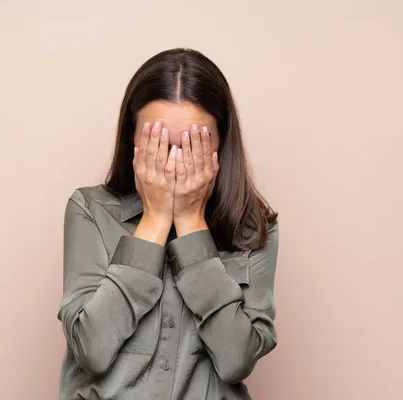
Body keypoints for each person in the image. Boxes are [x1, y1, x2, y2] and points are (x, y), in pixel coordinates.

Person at [57, 48, 279, 400]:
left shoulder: (251, 229)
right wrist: (156, 218)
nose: (176, 160)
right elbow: (92, 350)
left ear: (221, 140)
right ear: (132, 138)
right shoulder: (90, 211)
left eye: (194, 143)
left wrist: (191, 221)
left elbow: (237, 359)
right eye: (159, 142)